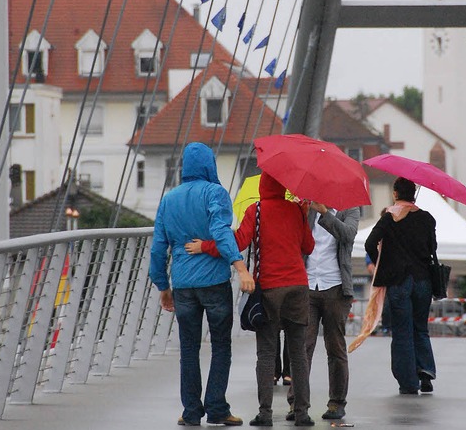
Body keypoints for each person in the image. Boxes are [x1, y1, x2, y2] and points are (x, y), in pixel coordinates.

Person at [186, 172, 316, 427]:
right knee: (298, 353)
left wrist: (206, 247)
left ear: (262, 187)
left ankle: (265, 413)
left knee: (266, 353)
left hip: (268, 288)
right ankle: (301, 412)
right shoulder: (296, 210)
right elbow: (308, 247)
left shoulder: (255, 210)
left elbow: (238, 242)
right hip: (298, 287)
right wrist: (303, 214)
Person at [149, 142, 254, 427]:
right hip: (214, 282)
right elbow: (221, 231)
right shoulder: (215, 192)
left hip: (182, 284)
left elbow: (158, 247)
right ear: (210, 165)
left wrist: (163, 286)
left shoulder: (168, 200)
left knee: (188, 348)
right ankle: (217, 409)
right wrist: (241, 267)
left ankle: (191, 412)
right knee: (221, 346)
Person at [286, 202, 359, 421]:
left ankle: (336, 402)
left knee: (335, 347)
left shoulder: (350, 209)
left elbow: (348, 235)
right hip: (306, 285)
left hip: (335, 286)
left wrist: (325, 214)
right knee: (302, 346)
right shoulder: (305, 208)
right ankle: (297, 404)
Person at [364, 176, 437, 396]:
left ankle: (408, 382)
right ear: (413, 194)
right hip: (423, 281)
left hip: (398, 281)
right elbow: (432, 246)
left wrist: (381, 263)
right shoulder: (427, 218)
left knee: (402, 331)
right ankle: (425, 374)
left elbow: (369, 243)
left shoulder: (389, 217)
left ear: (396, 193)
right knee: (420, 328)